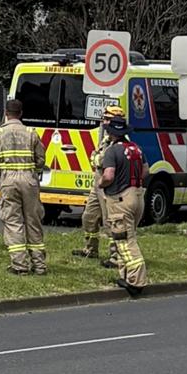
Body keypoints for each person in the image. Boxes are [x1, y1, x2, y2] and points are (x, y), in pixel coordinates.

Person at [0, 98, 47, 275]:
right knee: (33, 221)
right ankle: (39, 265)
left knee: (13, 221)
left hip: (8, 179)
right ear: (20, 113)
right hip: (29, 179)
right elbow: (41, 159)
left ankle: (20, 266)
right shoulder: (31, 132)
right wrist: (33, 171)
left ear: (6, 114)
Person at [100, 117, 149, 297]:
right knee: (129, 234)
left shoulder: (112, 151)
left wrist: (100, 184)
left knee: (124, 241)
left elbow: (109, 175)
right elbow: (145, 171)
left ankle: (137, 282)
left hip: (120, 199)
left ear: (111, 133)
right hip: (137, 195)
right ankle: (126, 276)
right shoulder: (136, 149)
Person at [72, 103, 126, 266]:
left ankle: (115, 256)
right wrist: (96, 158)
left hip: (109, 186)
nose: (104, 121)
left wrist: (96, 159)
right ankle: (91, 249)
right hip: (98, 184)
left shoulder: (120, 141)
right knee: (88, 217)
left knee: (110, 222)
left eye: (106, 119)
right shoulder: (107, 139)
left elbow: (99, 159)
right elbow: (96, 157)